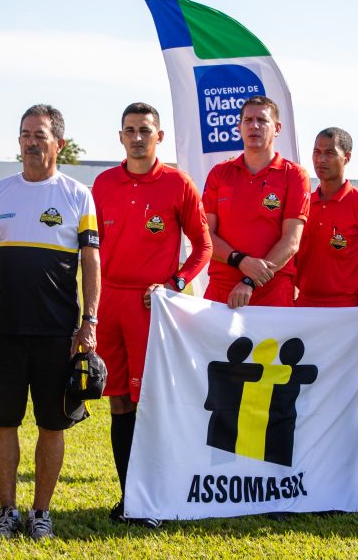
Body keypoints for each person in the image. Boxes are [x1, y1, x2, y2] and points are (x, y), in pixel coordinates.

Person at [0, 104, 100, 540]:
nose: (30, 142)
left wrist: (89, 320)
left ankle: (41, 512)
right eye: (25, 134)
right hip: (4, 329)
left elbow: (91, 262)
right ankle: (7, 511)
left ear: (58, 143)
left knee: (51, 425)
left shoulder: (77, 195)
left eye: (40, 135)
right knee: (3, 423)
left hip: (56, 334)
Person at [92, 102, 212, 526]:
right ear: (120, 136)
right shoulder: (103, 183)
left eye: (145, 130)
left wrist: (175, 285)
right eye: (130, 130)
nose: (137, 137)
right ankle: (130, 496)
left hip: (151, 307)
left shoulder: (178, 183)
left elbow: (203, 247)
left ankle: (155, 496)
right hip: (109, 305)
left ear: (159, 136)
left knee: (150, 405)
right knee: (119, 401)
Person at [201, 95, 310, 308]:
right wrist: (240, 261)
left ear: (277, 128)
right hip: (221, 288)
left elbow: (292, 242)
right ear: (239, 127)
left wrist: (250, 280)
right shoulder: (219, 173)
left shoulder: (294, 175)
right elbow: (205, 234)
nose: (254, 126)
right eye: (248, 120)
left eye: (262, 120)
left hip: (272, 289)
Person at [295, 127, 358, 307]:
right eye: (316, 152)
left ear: (347, 158)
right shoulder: (303, 204)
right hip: (303, 307)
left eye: (330, 153)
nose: (321, 159)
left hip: (347, 310)